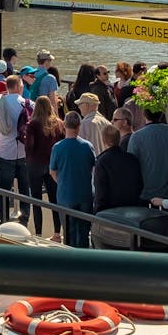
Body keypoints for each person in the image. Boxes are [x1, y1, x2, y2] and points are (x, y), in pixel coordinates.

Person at [50, 112, 96, 248]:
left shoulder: (58, 147)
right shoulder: (87, 146)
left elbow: (52, 171)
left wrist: (62, 182)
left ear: (64, 125)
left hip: (66, 195)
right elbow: (94, 167)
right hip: (85, 195)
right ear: (79, 126)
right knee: (83, 233)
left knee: (69, 235)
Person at [0, 76, 29, 222]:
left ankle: (4, 220)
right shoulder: (28, 104)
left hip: (5, 152)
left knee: (4, 189)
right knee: (24, 191)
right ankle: (24, 221)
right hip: (24, 152)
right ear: (19, 86)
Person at [22, 96, 64, 240]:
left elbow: (29, 146)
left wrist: (28, 159)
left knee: (36, 200)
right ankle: (57, 233)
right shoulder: (58, 123)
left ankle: (39, 233)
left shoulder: (32, 124)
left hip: (35, 164)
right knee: (54, 200)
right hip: (52, 164)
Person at [128, 111, 168, 202]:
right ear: (162, 114)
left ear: (144, 115)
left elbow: (131, 167)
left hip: (145, 195)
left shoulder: (136, 137)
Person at [93, 124, 143, 213]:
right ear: (119, 139)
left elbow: (101, 191)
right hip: (133, 208)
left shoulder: (102, 161)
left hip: (111, 211)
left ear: (103, 140)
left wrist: (98, 211)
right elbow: (140, 184)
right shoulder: (132, 159)